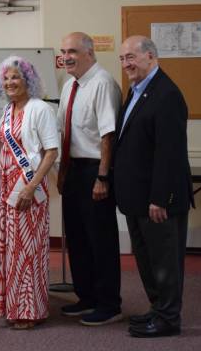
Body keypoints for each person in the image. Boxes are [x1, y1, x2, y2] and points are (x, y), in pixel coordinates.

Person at [114, 36, 193, 338]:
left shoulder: (167, 94)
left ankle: (169, 318)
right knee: (147, 260)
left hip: (158, 201)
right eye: (122, 59)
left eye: (131, 57)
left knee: (164, 262)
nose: (126, 64)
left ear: (150, 56)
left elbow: (169, 153)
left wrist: (160, 198)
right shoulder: (137, 92)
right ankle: (158, 308)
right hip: (136, 199)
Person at [56, 32, 122, 325]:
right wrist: (61, 172)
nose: (66, 57)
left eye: (72, 51)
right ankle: (87, 296)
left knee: (101, 240)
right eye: (63, 51)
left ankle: (109, 304)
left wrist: (103, 177)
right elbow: (63, 133)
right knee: (78, 238)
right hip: (73, 170)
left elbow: (108, 134)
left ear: (89, 53)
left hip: (96, 170)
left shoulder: (103, 83)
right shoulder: (70, 84)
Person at [0, 56, 58, 329]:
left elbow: (51, 152)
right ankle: (13, 307)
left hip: (29, 189)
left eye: (16, 77)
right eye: (6, 78)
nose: (10, 82)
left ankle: (30, 311)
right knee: (10, 250)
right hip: (7, 188)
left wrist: (30, 187)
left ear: (28, 80)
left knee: (28, 250)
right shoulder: (6, 111)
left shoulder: (40, 109)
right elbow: (0, 152)